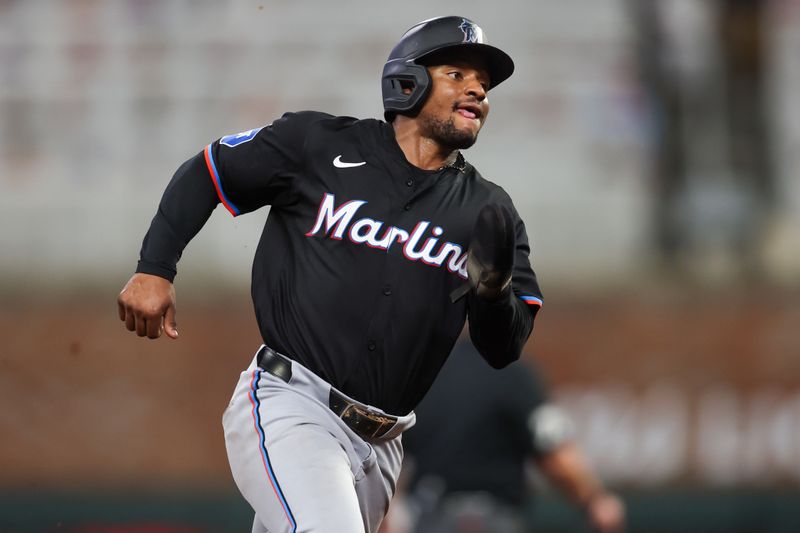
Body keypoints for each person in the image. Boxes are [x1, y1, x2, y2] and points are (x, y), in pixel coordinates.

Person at [116, 16, 544, 533]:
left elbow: (504, 348)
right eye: (458, 74)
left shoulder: (489, 210)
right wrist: (155, 269)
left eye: (485, 84)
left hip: (383, 448)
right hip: (293, 402)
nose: (478, 89)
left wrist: (493, 292)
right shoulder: (316, 145)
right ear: (408, 82)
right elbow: (210, 171)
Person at [400, 339, 626, 533]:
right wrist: (595, 499)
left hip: (430, 516)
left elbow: (388, 460)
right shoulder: (512, 373)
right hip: (494, 520)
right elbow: (556, 453)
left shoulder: (421, 375)